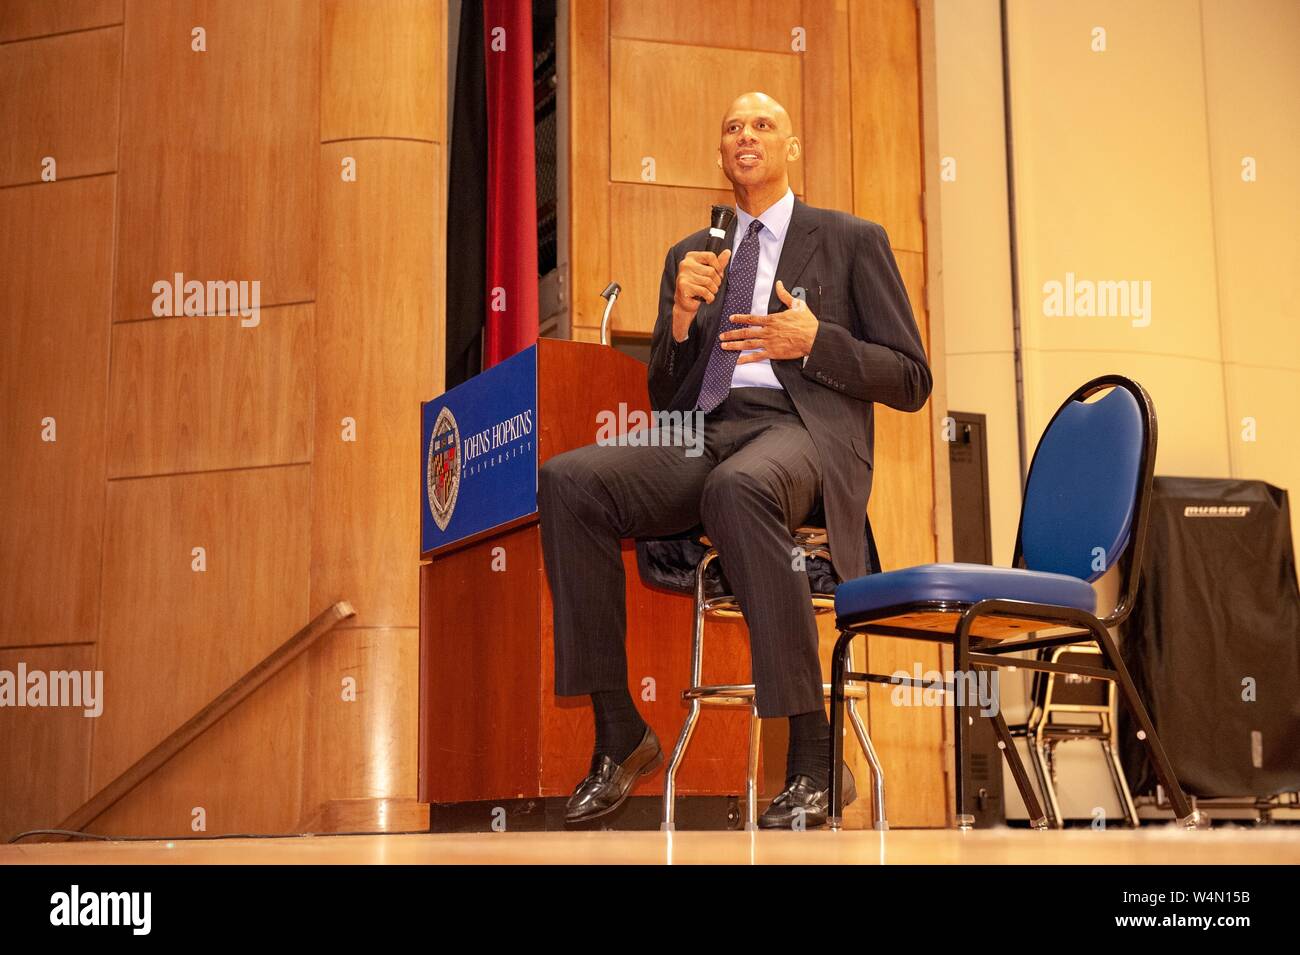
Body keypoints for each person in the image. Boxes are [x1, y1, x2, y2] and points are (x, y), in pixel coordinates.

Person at [538, 91, 931, 828]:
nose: (746, 135)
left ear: (790, 148)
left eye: (763, 125)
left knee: (737, 488)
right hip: (707, 430)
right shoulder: (695, 253)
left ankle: (814, 753)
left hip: (802, 430)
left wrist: (814, 340)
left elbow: (912, 377)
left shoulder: (851, 239)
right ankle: (620, 731)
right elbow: (665, 393)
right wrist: (682, 320)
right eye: (732, 127)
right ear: (722, 156)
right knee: (569, 481)